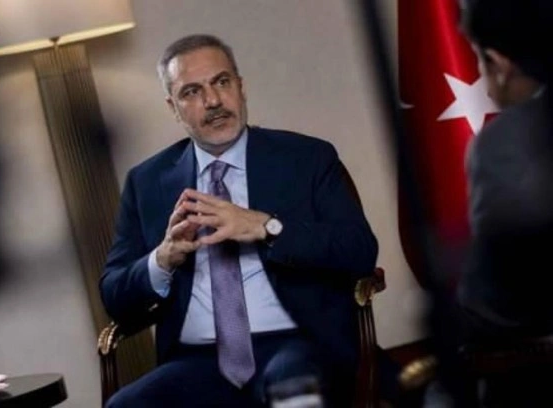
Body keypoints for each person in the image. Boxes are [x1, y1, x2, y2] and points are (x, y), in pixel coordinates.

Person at [100, 34, 380, 407]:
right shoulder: (147, 182)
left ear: (241, 87)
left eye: (221, 82)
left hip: (296, 344)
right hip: (196, 362)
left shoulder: (306, 157)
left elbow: (359, 251)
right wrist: (162, 259)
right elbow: (114, 293)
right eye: (192, 92)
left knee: (295, 392)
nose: (213, 101)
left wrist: (266, 227)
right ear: (173, 107)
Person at [434, 0, 553, 405]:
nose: (484, 87)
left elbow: (495, 304)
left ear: (500, 64)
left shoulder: (510, 140)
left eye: (480, 65)